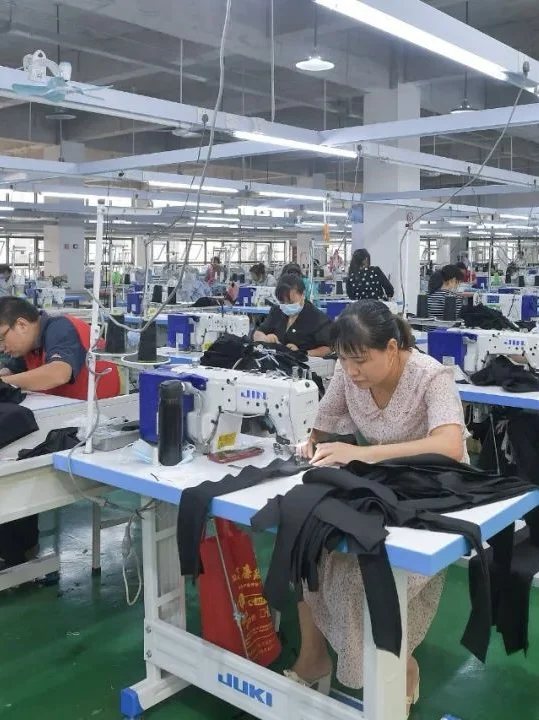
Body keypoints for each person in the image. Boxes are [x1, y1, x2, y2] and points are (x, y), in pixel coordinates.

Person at [291, 301, 467, 715]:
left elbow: (450, 445)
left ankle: (401, 666)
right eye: (343, 360)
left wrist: (363, 454)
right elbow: (324, 422)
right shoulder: (349, 373)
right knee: (305, 543)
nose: (351, 371)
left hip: (434, 491)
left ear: (391, 348)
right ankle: (313, 657)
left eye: (360, 361)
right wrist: (309, 442)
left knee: (366, 574)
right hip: (381, 487)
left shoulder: (430, 376)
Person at [0, 296, 120, 568]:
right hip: (64, 417)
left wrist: (4, 381)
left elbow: (59, 373)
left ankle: (18, 552)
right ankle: (18, 548)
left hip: (101, 418)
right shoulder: (29, 347)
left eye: (2, 338)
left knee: (17, 467)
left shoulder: (59, 328)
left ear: (21, 325)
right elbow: (11, 371)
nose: (3, 347)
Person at [253, 274, 331, 356]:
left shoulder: (317, 318)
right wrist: (265, 339)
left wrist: (302, 353)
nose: (286, 305)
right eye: (282, 302)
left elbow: (328, 348)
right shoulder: (277, 311)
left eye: (291, 302)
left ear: (303, 294)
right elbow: (258, 333)